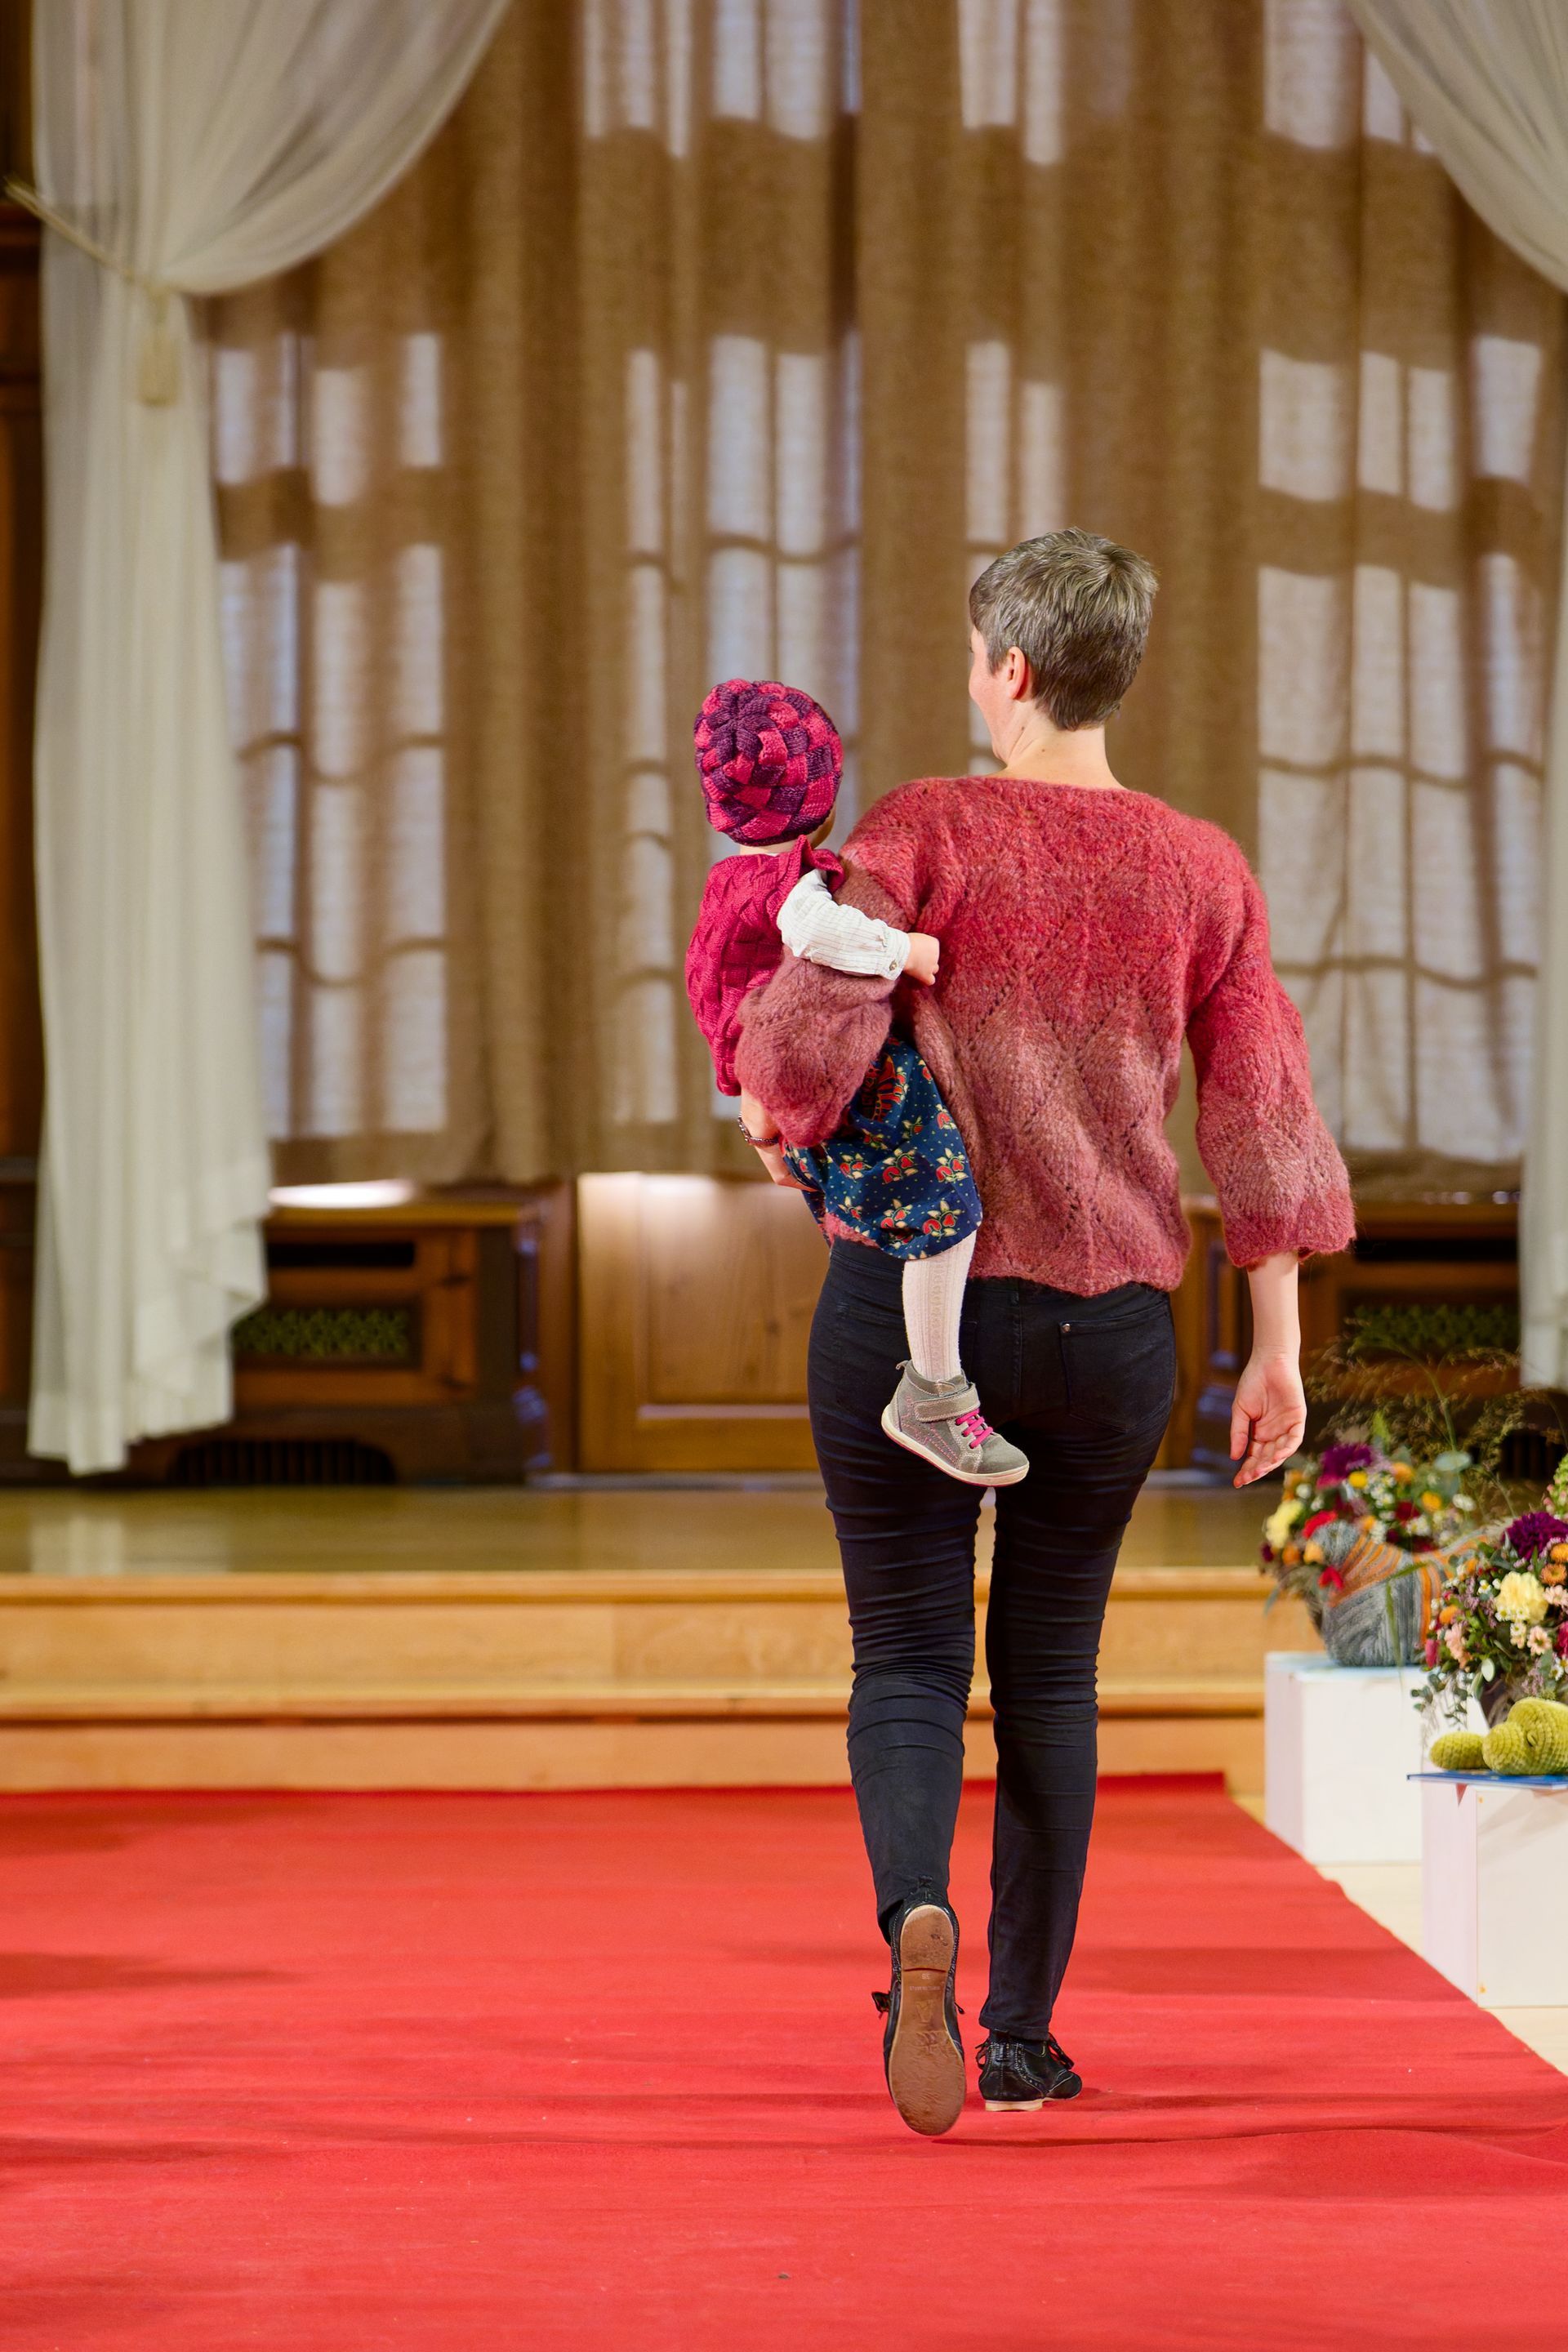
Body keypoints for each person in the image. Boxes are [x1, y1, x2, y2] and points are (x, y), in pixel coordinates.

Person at [734, 528, 1354, 2136]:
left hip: (911, 1319)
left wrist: (775, 1113)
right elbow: (1268, 1113)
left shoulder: (923, 828)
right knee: (1054, 1676)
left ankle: (909, 1929)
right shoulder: (1204, 866)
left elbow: (802, 1027)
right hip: (1111, 1333)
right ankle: (1022, 2038)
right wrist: (1276, 1345)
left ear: (1007, 670)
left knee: (912, 1655)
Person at [684, 677, 1027, 1487]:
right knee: (949, 1217)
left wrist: (752, 1111)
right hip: (854, 1080)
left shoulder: (727, 882)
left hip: (767, 1088)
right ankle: (935, 1394)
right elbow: (820, 932)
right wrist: (903, 951)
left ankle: (900, 1376)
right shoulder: (790, 888)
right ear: (822, 794)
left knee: (859, 1230)